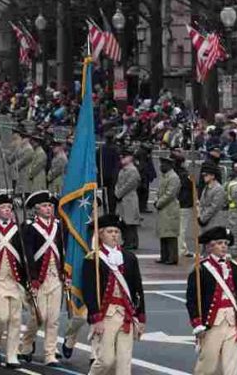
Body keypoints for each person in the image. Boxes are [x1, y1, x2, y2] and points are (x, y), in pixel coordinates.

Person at [82, 214, 145, 375]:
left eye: (117, 231)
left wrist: (141, 316)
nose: (114, 235)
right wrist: (95, 318)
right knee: (106, 360)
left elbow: (137, 288)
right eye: (110, 231)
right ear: (101, 234)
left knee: (124, 362)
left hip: (126, 314)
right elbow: (89, 291)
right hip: (106, 314)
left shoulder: (129, 258)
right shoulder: (93, 259)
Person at [185, 227, 237, 375]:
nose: (224, 246)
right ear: (209, 246)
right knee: (207, 366)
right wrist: (197, 323)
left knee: (232, 367)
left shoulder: (235, 268)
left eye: (226, 243)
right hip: (212, 324)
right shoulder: (200, 269)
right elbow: (192, 300)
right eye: (219, 243)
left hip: (232, 322)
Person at [19, 190, 65, 367]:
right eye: (45, 206)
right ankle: (26, 344)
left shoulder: (59, 226)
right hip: (39, 277)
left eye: (50, 206)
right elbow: (28, 254)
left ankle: (50, 353)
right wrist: (32, 278)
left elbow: (63, 250)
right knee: (39, 316)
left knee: (53, 318)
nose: (48, 209)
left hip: (55, 277)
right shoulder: (29, 227)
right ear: (36, 209)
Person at [0, 192, 27, 367]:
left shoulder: (18, 229)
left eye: (9, 208)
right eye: (4, 208)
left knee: (15, 319)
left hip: (14, 280)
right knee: (1, 317)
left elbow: (24, 255)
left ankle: (11, 355)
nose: (8, 211)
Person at [154, 156, 181, 265]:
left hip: (170, 208)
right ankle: (164, 256)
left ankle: (172, 257)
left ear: (169, 165)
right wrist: (157, 200)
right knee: (163, 234)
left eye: (163, 164)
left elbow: (170, 194)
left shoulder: (173, 177)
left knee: (170, 235)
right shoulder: (164, 176)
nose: (161, 166)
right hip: (163, 208)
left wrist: (159, 203)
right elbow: (159, 191)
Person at [113, 148, 141, 250]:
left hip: (129, 198)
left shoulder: (133, 171)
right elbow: (118, 183)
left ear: (130, 158)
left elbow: (129, 185)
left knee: (131, 222)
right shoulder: (123, 170)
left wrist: (119, 193)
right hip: (122, 199)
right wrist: (117, 192)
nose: (122, 158)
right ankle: (127, 241)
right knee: (124, 222)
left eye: (124, 157)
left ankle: (132, 242)